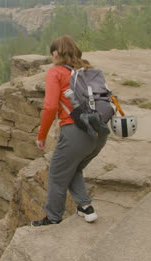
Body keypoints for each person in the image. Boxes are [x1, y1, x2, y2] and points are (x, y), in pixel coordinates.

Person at [31, 35, 107, 226]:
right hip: (100, 132)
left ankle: (53, 218)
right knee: (74, 168)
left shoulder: (56, 72)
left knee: (57, 174)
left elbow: (49, 108)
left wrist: (41, 136)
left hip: (76, 131)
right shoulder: (87, 70)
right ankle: (85, 207)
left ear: (55, 54)